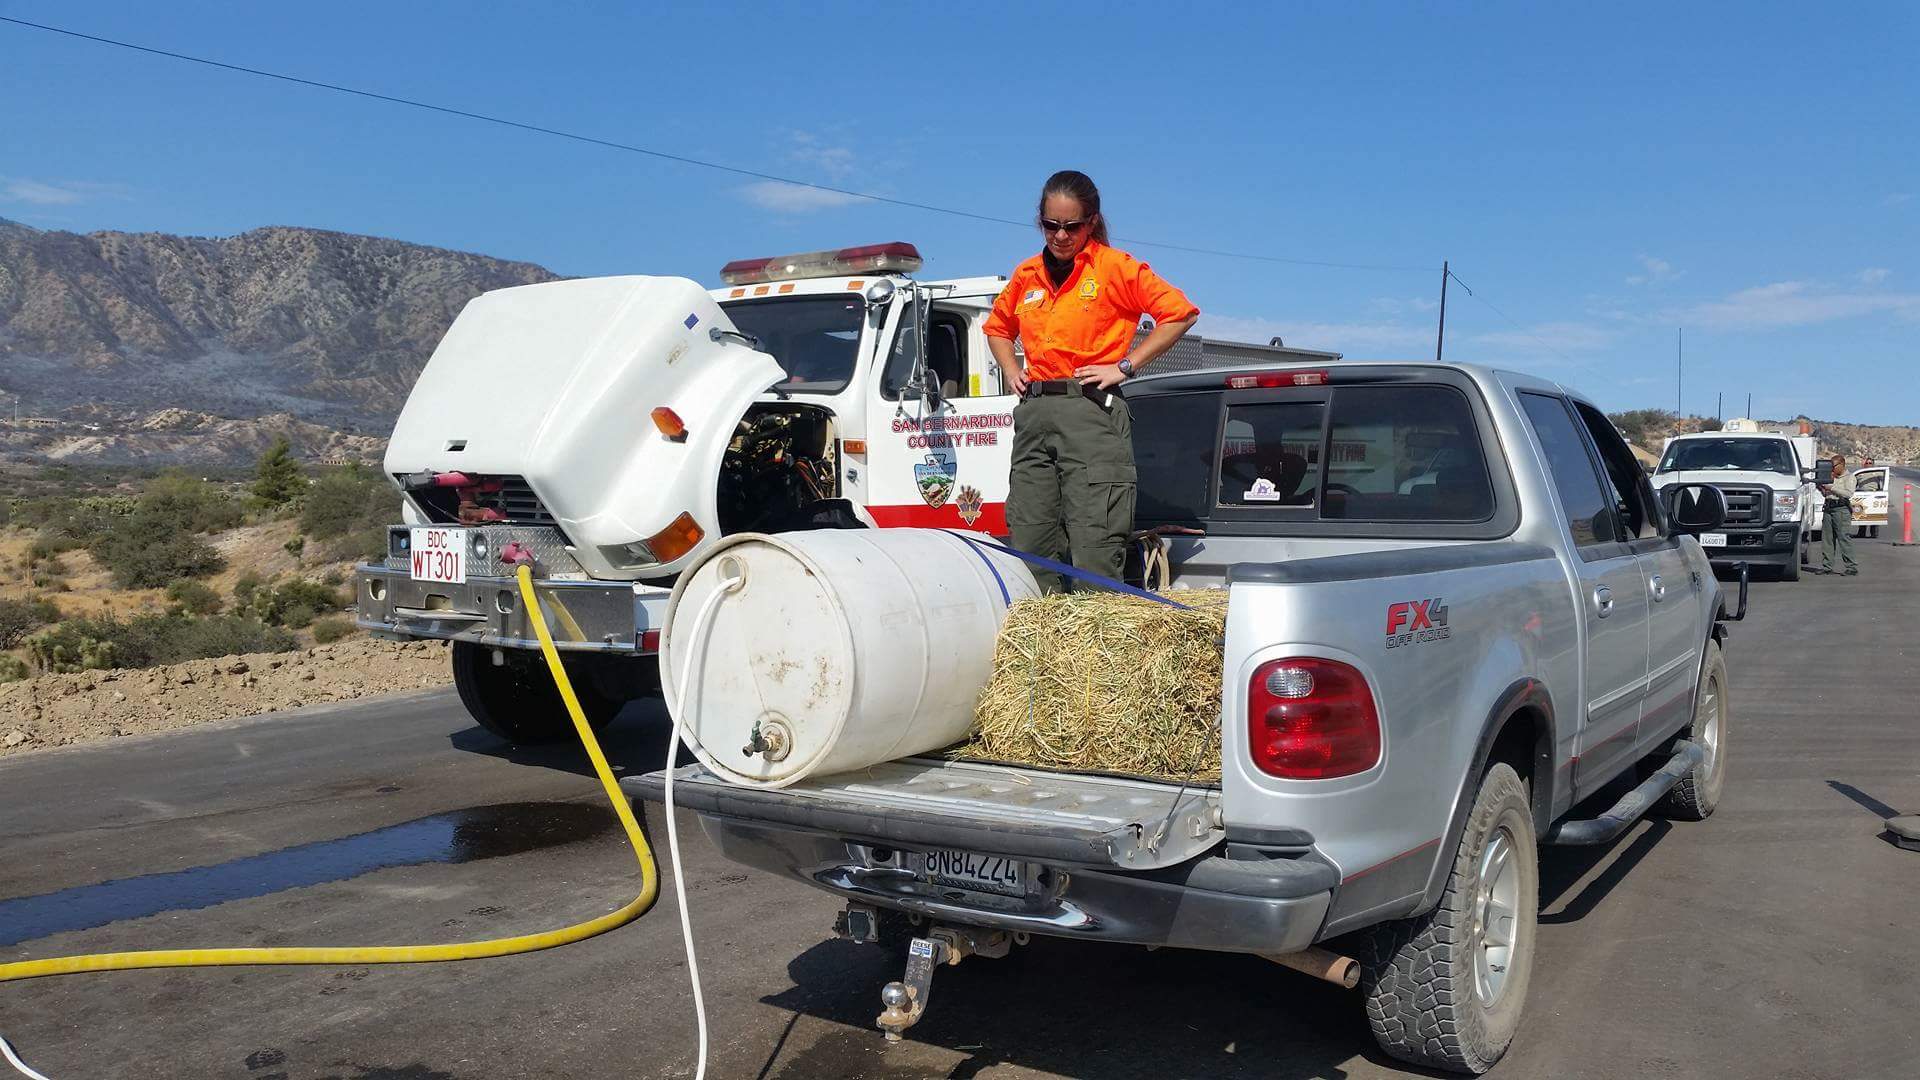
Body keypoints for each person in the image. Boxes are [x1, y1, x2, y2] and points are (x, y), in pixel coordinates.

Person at [983, 171, 1200, 592]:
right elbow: (996, 328)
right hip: (1034, 416)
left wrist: (1126, 365)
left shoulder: (1114, 267)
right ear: (1040, 221)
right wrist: (1011, 369)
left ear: (1092, 222)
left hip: (1089, 411)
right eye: (1051, 225)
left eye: (1072, 226)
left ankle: (1096, 627)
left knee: (1094, 541)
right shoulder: (1027, 274)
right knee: (1029, 538)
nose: (1061, 236)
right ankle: (1040, 629)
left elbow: (1180, 313)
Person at [1818, 453, 1858, 575]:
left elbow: (1848, 493)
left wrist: (1831, 487)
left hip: (1841, 509)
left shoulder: (1849, 477)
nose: (1832, 469)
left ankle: (1851, 567)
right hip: (1829, 507)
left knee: (1843, 537)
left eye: (1834, 466)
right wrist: (1822, 488)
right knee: (1827, 539)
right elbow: (1826, 494)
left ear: (1842, 465)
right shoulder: (1831, 476)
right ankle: (1827, 566)